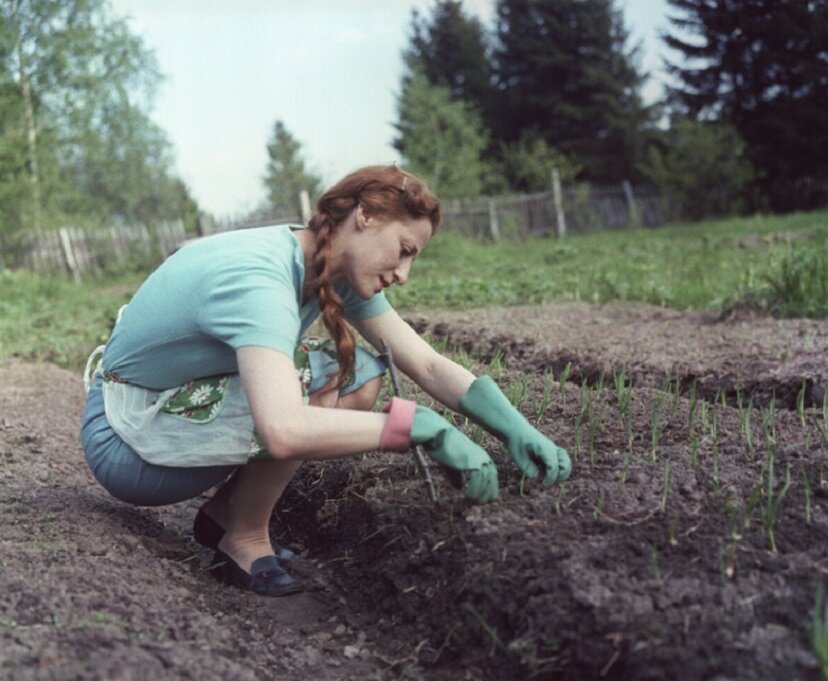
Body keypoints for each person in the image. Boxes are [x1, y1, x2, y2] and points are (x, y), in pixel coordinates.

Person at [80, 165, 571, 597]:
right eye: (403, 251)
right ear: (366, 217)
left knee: (356, 373)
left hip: (172, 408)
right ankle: (245, 539)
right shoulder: (259, 278)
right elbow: (283, 429)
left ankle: (226, 515)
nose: (404, 273)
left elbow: (426, 364)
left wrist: (512, 427)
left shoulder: (329, 264)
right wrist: (419, 426)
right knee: (308, 385)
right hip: (127, 442)